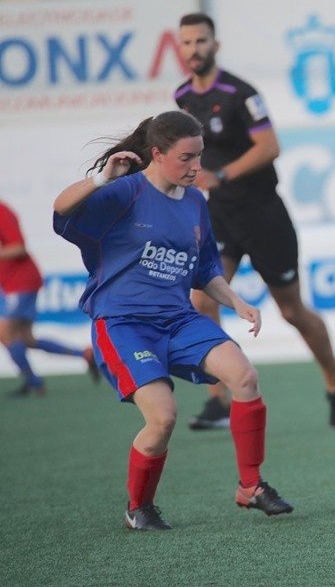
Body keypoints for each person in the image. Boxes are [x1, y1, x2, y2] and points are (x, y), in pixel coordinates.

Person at [52, 110, 293, 530]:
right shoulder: (124, 192)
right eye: (186, 158)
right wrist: (100, 179)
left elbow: (204, 270)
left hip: (178, 320)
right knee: (162, 417)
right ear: (157, 154)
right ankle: (139, 507)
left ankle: (251, 486)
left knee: (245, 377)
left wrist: (237, 301)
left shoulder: (197, 202)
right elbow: (61, 211)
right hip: (124, 323)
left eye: (199, 156)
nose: (196, 166)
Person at [175, 12, 335, 431]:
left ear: (215, 45)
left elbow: (270, 146)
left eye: (201, 41)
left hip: (262, 213)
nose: (194, 49)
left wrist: (221, 175)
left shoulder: (240, 92)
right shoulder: (182, 95)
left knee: (291, 310)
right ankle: (218, 398)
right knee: (202, 300)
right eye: (186, 43)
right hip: (218, 215)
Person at [1, 200, 98, 396]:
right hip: (10, 284)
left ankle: (34, 382)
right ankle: (85, 354)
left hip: (20, 282)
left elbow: (19, 247)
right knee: (25, 339)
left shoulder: (2, 211)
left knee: (6, 332)